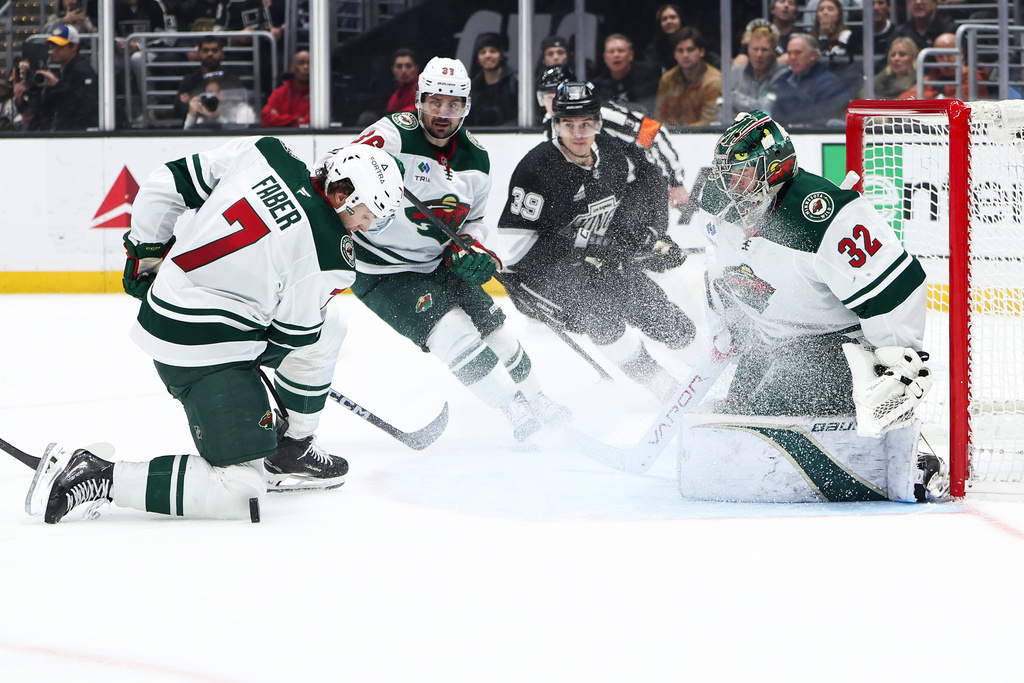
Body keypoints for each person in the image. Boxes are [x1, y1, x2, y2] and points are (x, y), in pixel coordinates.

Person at [25, 140, 405, 524]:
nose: (366, 227)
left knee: (331, 324)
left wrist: (146, 252)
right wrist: (252, 365)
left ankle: (292, 447)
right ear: (341, 193)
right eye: (367, 215)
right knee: (241, 491)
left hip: (166, 308)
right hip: (204, 355)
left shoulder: (266, 152)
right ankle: (100, 476)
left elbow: (166, 184)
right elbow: (293, 336)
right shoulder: (331, 254)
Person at [684, 110, 939, 503]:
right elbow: (718, 266)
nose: (727, 185)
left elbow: (896, 287)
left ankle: (897, 454)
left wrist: (897, 359)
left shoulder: (824, 215)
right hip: (772, 341)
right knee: (729, 414)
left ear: (774, 168)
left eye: (738, 173)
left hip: (834, 346)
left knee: (761, 419)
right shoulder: (719, 203)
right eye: (724, 174)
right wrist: (726, 321)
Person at [345, 57, 569, 441]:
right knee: (454, 335)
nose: (443, 113)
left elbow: (473, 223)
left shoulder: (477, 160)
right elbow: (339, 168)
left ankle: (538, 398)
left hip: (437, 262)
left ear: (466, 106)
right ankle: (514, 410)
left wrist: (476, 251)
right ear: (418, 101)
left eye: (453, 105)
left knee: (497, 330)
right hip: (382, 270)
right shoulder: (392, 136)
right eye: (434, 102)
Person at [497, 82, 696, 402]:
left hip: (594, 260)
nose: (578, 133)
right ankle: (663, 388)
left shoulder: (613, 159)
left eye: (586, 124)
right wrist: (590, 251)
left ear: (598, 123)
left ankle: (712, 375)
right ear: (554, 122)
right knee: (601, 316)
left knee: (659, 312)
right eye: (568, 124)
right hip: (540, 275)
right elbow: (519, 248)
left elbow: (610, 218)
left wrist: (646, 243)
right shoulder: (538, 169)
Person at [536, 65, 690, 245]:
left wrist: (675, 182)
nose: (552, 103)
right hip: (607, 194)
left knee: (644, 248)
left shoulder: (602, 114)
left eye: (556, 95)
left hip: (640, 184)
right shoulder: (551, 126)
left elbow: (654, 132)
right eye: (547, 98)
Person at [770, 33, 851, 127]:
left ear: (813, 55)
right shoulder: (783, 80)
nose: (792, 57)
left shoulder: (829, 82)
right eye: (789, 53)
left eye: (798, 52)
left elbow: (823, 118)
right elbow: (776, 114)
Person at [33, 25, 98, 131]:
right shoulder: (60, 72)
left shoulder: (83, 71)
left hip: (78, 134)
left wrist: (57, 86)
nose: (55, 50)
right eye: (53, 46)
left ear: (74, 47)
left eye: (59, 46)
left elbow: (83, 107)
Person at [655, 28, 722, 128]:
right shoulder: (667, 79)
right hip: (672, 136)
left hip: (702, 138)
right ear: (675, 54)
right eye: (680, 50)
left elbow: (707, 124)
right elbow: (659, 118)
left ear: (702, 51)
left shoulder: (714, 81)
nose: (685, 55)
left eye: (690, 50)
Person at [174, 35, 244, 121]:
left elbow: (240, 107)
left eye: (214, 50)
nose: (210, 54)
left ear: (222, 53)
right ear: (199, 53)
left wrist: (224, 103)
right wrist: (190, 105)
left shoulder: (232, 80)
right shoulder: (190, 80)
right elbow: (178, 110)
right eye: (205, 50)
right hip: (196, 128)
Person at [900, 32, 989, 100]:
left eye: (949, 55)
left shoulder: (972, 77)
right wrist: (937, 97)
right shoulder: (932, 77)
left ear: (961, 54)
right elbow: (904, 98)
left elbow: (959, 106)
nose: (945, 60)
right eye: (940, 56)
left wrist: (927, 98)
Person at [593, 34, 661, 115]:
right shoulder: (597, 87)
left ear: (630, 55)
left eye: (620, 50)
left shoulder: (650, 76)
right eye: (611, 51)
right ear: (605, 58)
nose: (616, 55)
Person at [730, 24, 787, 116]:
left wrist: (733, 96)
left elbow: (765, 109)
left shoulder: (784, 75)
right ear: (748, 50)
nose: (759, 54)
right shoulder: (735, 73)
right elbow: (721, 109)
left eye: (764, 50)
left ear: (773, 51)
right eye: (755, 49)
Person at [466, 32, 518, 127]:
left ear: (501, 55)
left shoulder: (515, 83)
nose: (488, 55)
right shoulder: (472, 87)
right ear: (477, 58)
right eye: (483, 52)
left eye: (493, 51)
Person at [183, 75, 256, 129]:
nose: (212, 97)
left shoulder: (243, 111)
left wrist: (217, 117)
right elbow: (187, 139)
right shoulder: (202, 116)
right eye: (209, 93)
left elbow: (239, 137)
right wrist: (191, 115)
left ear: (225, 93)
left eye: (217, 92)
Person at [260, 49, 310, 127]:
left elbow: (310, 123)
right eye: (301, 63)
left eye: (309, 63)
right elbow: (266, 118)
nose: (306, 67)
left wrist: (280, 119)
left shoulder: (318, 95)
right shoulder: (280, 92)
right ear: (292, 68)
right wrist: (295, 119)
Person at [811, 0, 859, 69]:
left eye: (830, 9)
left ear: (839, 14)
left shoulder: (847, 36)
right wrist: (823, 37)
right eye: (821, 10)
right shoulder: (810, 38)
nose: (825, 13)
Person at [643, 4, 684, 72]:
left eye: (673, 17)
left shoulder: (691, 38)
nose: (668, 21)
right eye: (664, 19)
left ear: (681, 20)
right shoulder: (655, 45)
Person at [385, 48, 418, 114]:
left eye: (408, 66)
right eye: (399, 66)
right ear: (393, 69)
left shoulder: (424, 91)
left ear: (416, 68)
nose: (403, 71)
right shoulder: (394, 97)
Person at [869, 0, 897, 70]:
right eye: (871, 4)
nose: (875, 8)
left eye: (880, 3)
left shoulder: (897, 34)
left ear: (888, 7)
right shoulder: (856, 36)